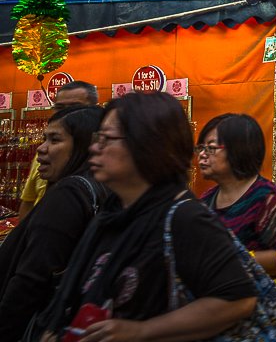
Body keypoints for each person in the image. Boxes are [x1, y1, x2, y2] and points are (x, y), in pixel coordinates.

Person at [31, 92, 257, 340]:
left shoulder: (184, 217)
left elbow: (238, 299)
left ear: (147, 145)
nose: (94, 147)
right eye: (98, 137)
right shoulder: (113, 212)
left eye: (107, 139)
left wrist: (142, 331)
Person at [0, 105, 106, 337]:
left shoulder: (69, 194)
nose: (41, 149)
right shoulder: (97, 187)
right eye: (44, 139)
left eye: (55, 140)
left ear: (83, 145)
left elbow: (32, 279)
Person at [197, 113, 276, 276]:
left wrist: (233, 261)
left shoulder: (267, 200)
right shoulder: (205, 200)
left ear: (238, 150)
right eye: (201, 147)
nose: (202, 154)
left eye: (211, 148)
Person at [17, 80, 99, 219]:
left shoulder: (102, 163)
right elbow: (28, 203)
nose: (66, 113)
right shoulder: (43, 157)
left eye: (75, 107)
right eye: (60, 108)